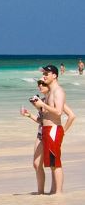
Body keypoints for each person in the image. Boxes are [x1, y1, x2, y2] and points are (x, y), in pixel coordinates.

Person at [31, 65, 67, 194]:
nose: (44, 76)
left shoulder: (58, 91)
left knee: (54, 162)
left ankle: (58, 193)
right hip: (46, 130)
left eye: (47, 73)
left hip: (53, 129)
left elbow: (58, 112)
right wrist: (37, 109)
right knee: (50, 164)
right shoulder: (50, 92)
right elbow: (47, 114)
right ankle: (53, 192)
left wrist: (42, 104)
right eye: (44, 73)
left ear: (55, 76)